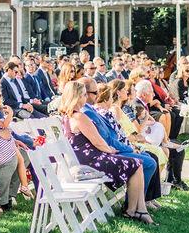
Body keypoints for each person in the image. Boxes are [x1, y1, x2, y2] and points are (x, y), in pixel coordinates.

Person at [58, 80, 152, 224]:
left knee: (137, 163)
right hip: (90, 161)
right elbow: (97, 141)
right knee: (135, 164)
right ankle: (132, 211)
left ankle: (140, 209)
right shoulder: (79, 117)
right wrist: (110, 150)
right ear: (77, 97)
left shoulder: (67, 117)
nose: (85, 98)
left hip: (84, 159)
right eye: (83, 95)